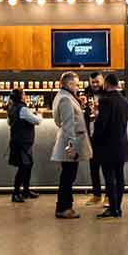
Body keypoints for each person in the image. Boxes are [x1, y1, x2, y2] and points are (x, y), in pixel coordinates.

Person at [92, 73, 128, 219]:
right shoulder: (125, 101)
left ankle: (113, 208)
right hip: (121, 144)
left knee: (109, 178)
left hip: (107, 145)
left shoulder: (106, 101)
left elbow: (102, 124)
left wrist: (95, 137)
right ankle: (118, 208)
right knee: (119, 177)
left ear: (106, 84)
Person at [52, 73, 90, 219]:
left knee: (68, 175)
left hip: (69, 142)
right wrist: (72, 146)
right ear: (69, 84)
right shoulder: (66, 99)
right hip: (70, 144)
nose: (78, 87)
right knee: (68, 176)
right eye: (76, 84)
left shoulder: (64, 96)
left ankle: (66, 205)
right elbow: (68, 125)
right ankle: (64, 207)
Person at [7, 88, 41, 202]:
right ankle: (16, 193)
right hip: (23, 143)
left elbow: (9, 122)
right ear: (21, 96)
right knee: (24, 167)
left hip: (17, 141)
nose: (25, 96)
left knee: (27, 166)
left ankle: (26, 191)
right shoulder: (23, 109)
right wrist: (39, 115)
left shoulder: (12, 108)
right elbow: (37, 121)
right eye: (24, 94)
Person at [85, 73, 106, 206]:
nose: (95, 84)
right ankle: (96, 195)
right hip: (91, 136)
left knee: (107, 168)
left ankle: (109, 196)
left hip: (104, 137)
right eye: (92, 82)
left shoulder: (107, 95)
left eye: (97, 82)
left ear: (102, 81)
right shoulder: (86, 95)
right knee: (93, 167)